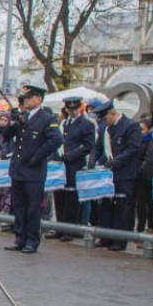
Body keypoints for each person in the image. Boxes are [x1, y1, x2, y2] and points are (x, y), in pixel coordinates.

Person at [0, 85, 63, 253]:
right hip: (19, 169)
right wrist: (13, 121)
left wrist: (37, 157)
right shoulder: (23, 117)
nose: (25, 100)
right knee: (19, 206)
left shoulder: (47, 118)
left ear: (39, 99)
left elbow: (56, 140)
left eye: (29, 97)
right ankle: (19, 237)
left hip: (34, 170)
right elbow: (5, 136)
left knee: (33, 208)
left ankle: (32, 240)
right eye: (24, 98)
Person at [91, 100, 142, 251]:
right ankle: (106, 236)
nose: (105, 123)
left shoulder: (130, 126)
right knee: (105, 206)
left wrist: (115, 162)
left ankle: (120, 240)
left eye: (106, 119)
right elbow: (97, 147)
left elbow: (132, 149)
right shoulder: (105, 130)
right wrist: (93, 158)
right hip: (107, 175)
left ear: (113, 114)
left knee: (123, 208)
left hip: (124, 174)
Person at [47, 97, 95, 241]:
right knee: (59, 196)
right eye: (70, 109)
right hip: (60, 165)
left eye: (75, 109)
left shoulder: (86, 124)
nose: (73, 112)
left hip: (74, 164)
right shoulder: (63, 124)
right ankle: (60, 227)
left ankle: (70, 229)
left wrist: (71, 156)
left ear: (79, 108)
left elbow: (88, 146)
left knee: (71, 198)